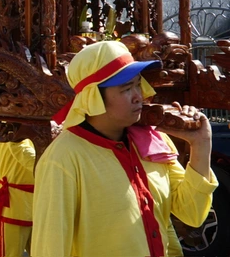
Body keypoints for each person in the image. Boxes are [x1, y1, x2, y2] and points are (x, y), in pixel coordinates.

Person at [31, 40, 217, 256]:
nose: (139, 95)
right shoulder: (63, 159)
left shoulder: (153, 141)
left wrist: (201, 145)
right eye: (126, 88)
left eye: (138, 84)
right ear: (93, 98)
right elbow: (49, 248)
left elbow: (191, 213)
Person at [0, 140, 35, 257]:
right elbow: (19, 147)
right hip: (12, 205)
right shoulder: (11, 124)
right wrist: (51, 162)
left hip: (38, 203)